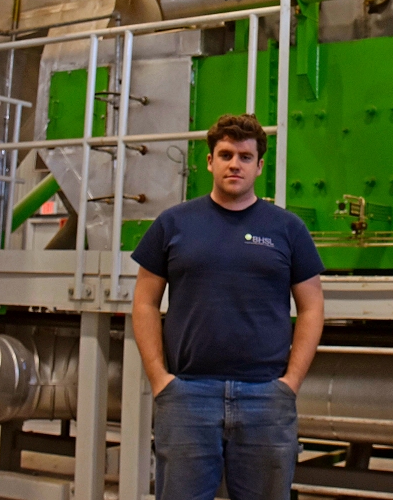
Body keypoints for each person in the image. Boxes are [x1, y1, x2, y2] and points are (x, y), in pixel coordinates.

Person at [131, 113, 324, 500]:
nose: (234, 163)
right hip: (187, 395)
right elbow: (144, 302)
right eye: (225, 154)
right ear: (209, 161)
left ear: (259, 166)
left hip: (265, 397)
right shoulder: (173, 223)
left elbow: (312, 307)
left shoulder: (287, 229)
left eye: (244, 156)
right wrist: (160, 380)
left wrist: (290, 384)